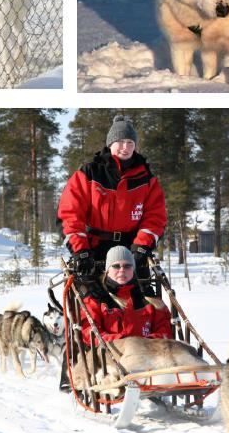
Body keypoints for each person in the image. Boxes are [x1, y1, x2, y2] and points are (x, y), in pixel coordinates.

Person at [58, 115, 167, 291]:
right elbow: (70, 214)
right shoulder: (89, 173)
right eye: (121, 141)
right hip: (94, 249)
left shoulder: (147, 178)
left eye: (130, 143)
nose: (126, 147)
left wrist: (142, 246)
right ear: (110, 143)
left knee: (144, 303)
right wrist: (81, 250)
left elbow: (156, 217)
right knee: (93, 304)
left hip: (132, 249)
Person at [79, 246, 173, 345]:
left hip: (148, 355)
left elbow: (165, 330)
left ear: (133, 269)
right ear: (107, 270)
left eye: (127, 266)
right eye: (116, 266)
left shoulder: (147, 296)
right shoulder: (95, 297)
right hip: (110, 356)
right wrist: (124, 344)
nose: (122, 270)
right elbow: (89, 332)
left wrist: (146, 345)